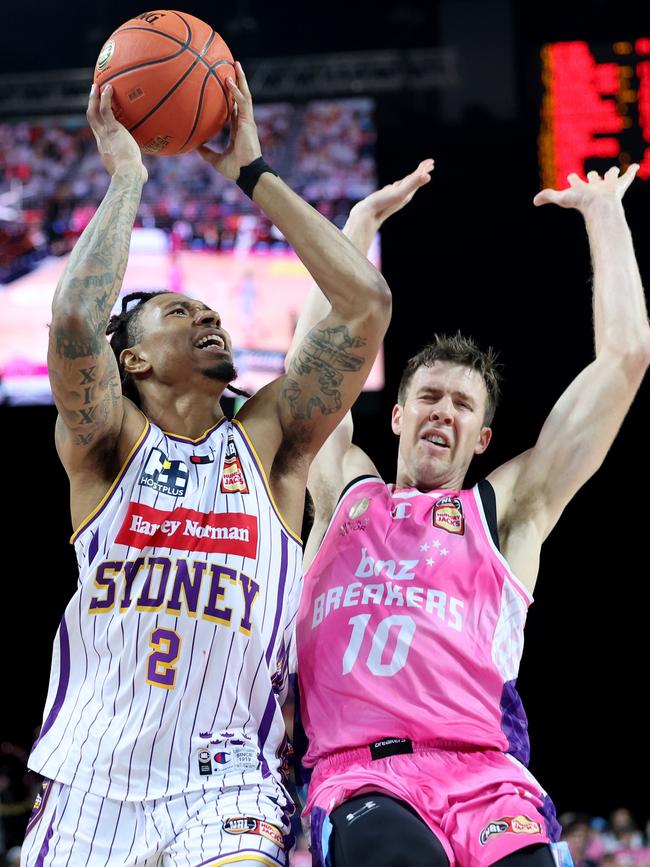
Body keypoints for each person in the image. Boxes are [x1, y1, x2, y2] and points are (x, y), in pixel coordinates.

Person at [21, 63, 392, 867]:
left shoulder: (269, 440)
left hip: (226, 782)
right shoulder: (104, 444)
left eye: (207, 309)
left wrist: (252, 171)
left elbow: (365, 304)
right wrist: (128, 173)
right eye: (180, 311)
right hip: (89, 781)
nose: (207, 315)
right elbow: (73, 317)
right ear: (134, 362)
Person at [290, 163, 649, 867]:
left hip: (488, 776)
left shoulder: (507, 510)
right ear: (395, 416)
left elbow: (626, 358)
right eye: (428, 396)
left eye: (462, 405)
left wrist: (604, 213)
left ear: (482, 438)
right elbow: (312, 370)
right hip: (362, 776)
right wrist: (357, 229)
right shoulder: (342, 491)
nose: (442, 412)